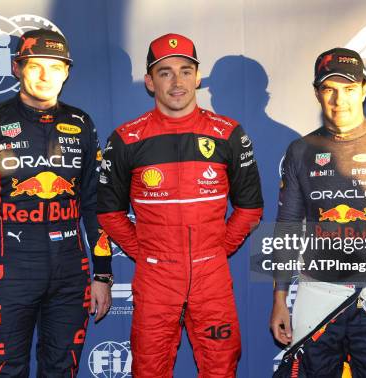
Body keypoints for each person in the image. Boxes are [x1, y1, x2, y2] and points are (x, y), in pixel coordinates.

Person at [97, 33, 263, 377]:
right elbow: (109, 213)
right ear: (149, 81)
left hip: (211, 276)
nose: (177, 82)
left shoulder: (229, 133)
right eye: (165, 72)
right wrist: (145, 252)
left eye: (186, 71)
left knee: (221, 366)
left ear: (198, 77)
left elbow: (249, 208)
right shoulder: (126, 138)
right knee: (149, 369)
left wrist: (217, 248)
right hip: (156, 277)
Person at [0, 28, 112, 377]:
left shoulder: (81, 123)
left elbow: (95, 205)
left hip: (72, 275)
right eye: (35, 65)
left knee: (62, 370)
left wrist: (102, 274)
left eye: (55, 67)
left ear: (67, 72)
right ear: (16, 68)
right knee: (6, 371)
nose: (45, 75)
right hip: (10, 275)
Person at [270, 47, 366, 377]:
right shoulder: (300, 151)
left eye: (350, 89)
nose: (340, 101)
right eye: (330, 90)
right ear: (316, 93)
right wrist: (280, 298)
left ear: (364, 90)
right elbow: (287, 228)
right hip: (316, 293)